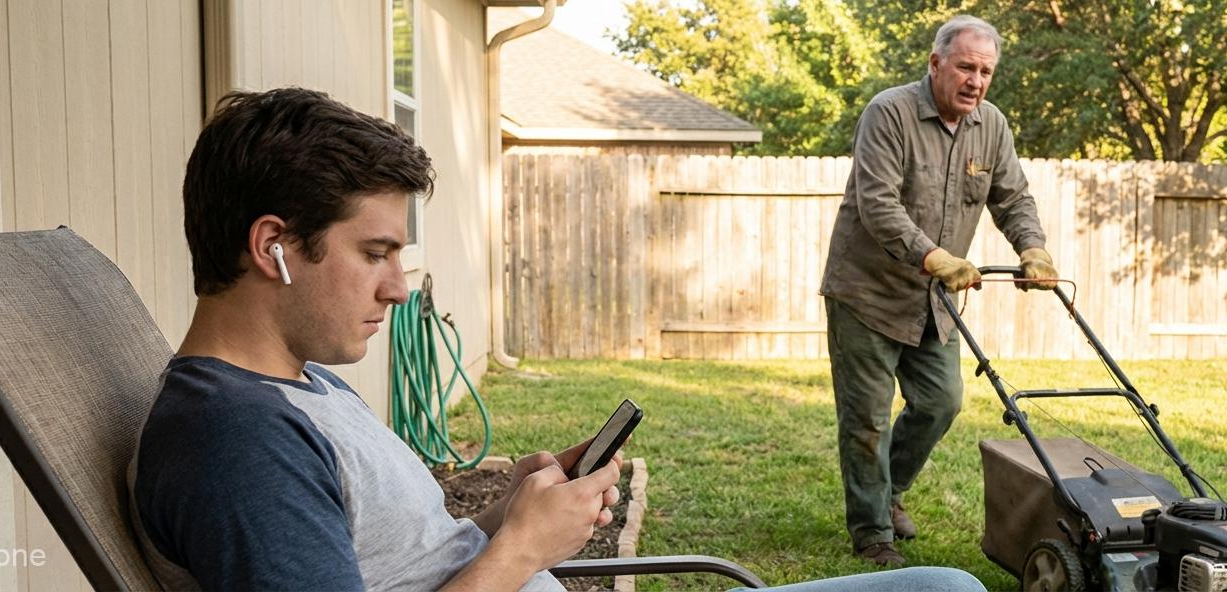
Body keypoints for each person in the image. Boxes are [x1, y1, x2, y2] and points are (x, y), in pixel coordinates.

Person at [130, 87, 986, 591]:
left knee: (944, 586)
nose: (397, 286)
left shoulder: (296, 386)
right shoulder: (235, 442)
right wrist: (521, 549)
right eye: (375, 253)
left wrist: (514, 508)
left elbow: (408, 557)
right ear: (272, 247)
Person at [818, 15, 1058, 567]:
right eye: (966, 67)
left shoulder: (991, 126)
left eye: (986, 71)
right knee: (868, 419)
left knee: (940, 402)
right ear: (936, 63)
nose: (975, 80)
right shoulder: (890, 113)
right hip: (867, 294)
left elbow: (1013, 198)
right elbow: (878, 204)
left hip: (934, 301)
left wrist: (1034, 250)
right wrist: (935, 257)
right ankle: (873, 532)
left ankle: (890, 490)